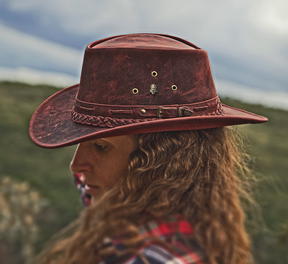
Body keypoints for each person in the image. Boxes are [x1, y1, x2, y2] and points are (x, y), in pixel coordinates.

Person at [29, 33, 268, 264]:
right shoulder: (132, 201)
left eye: (100, 146)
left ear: (162, 162)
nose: (76, 165)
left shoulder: (155, 258)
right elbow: (84, 185)